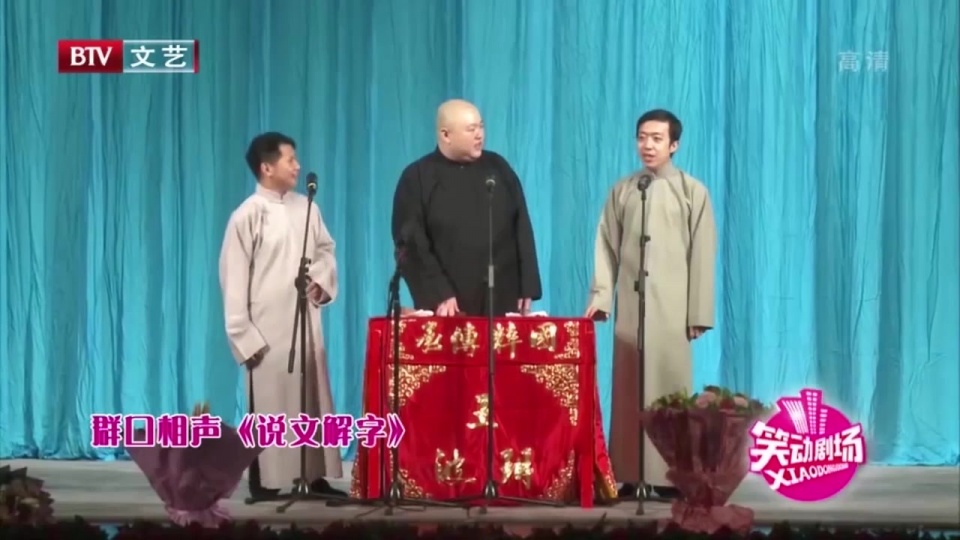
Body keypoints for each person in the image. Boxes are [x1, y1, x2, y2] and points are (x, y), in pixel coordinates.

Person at [585, 109, 717, 500]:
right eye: (642, 137)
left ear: (674, 145)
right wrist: (602, 296)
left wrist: (698, 312)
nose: (647, 145)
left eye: (657, 138)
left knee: (669, 391)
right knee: (629, 389)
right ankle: (628, 472)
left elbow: (703, 253)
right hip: (631, 307)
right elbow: (606, 245)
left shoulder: (692, 191)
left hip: (673, 310)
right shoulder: (624, 190)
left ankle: (670, 475)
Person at [218, 132, 346, 498]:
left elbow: (326, 251)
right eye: (290, 159)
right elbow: (233, 276)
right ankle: (266, 482)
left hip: (304, 322)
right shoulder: (247, 215)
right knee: (270, 407)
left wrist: (318, 279)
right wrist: (242, 333)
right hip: (267, 329)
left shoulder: (307, 208)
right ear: (266, 167)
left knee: (311, 401)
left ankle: (315, 477)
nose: (297, 166)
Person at [391, 99, 542, 316]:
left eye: (481, 126)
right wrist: (438, 293)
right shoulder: (417, 178)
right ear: (446, 135)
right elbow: (412, 243)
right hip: (449, 306)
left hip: (502, 297)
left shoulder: (498, 168)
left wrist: (527, 285)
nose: (479, 135)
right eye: (471, 129)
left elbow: (522, 226)